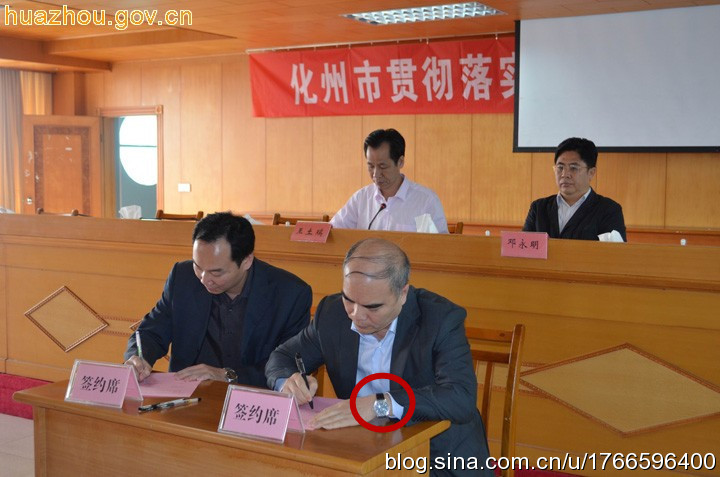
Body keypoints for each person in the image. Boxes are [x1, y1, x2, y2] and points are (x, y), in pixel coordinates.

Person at [266, 238, 491, 476]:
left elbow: (460, 397)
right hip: (363, 452)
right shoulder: (332, 314)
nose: (356, 315)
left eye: (372, 307)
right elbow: (282, 357)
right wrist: (287, 381)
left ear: (403, 294)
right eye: (348, 299)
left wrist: (379, 404)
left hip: (436, 456)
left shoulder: (440, 319)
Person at [124, 212, 312, 387]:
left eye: (216, 272)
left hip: (252, 398)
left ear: (246, 260)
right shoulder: (183, 277)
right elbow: (151, 332)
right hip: (186, 394)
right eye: (198, 267)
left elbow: (287, 364)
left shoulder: (290, 294)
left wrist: (228, 375)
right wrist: (138, 357)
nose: (204, 279)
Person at [330, 129, 449, 233]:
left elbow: (437, 246)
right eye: (371, 166)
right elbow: (333, 230)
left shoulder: (424, 201)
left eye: (382, 166)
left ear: (400, 162)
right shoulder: (361, 199)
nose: (376, 174)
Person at [523, 137, 626, 241]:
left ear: (591, 173)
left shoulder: (609, 210)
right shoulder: (539, 208)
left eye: (573, 168)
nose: (564, 174)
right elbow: (523, 246)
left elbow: (614, 251)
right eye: (560, 168)